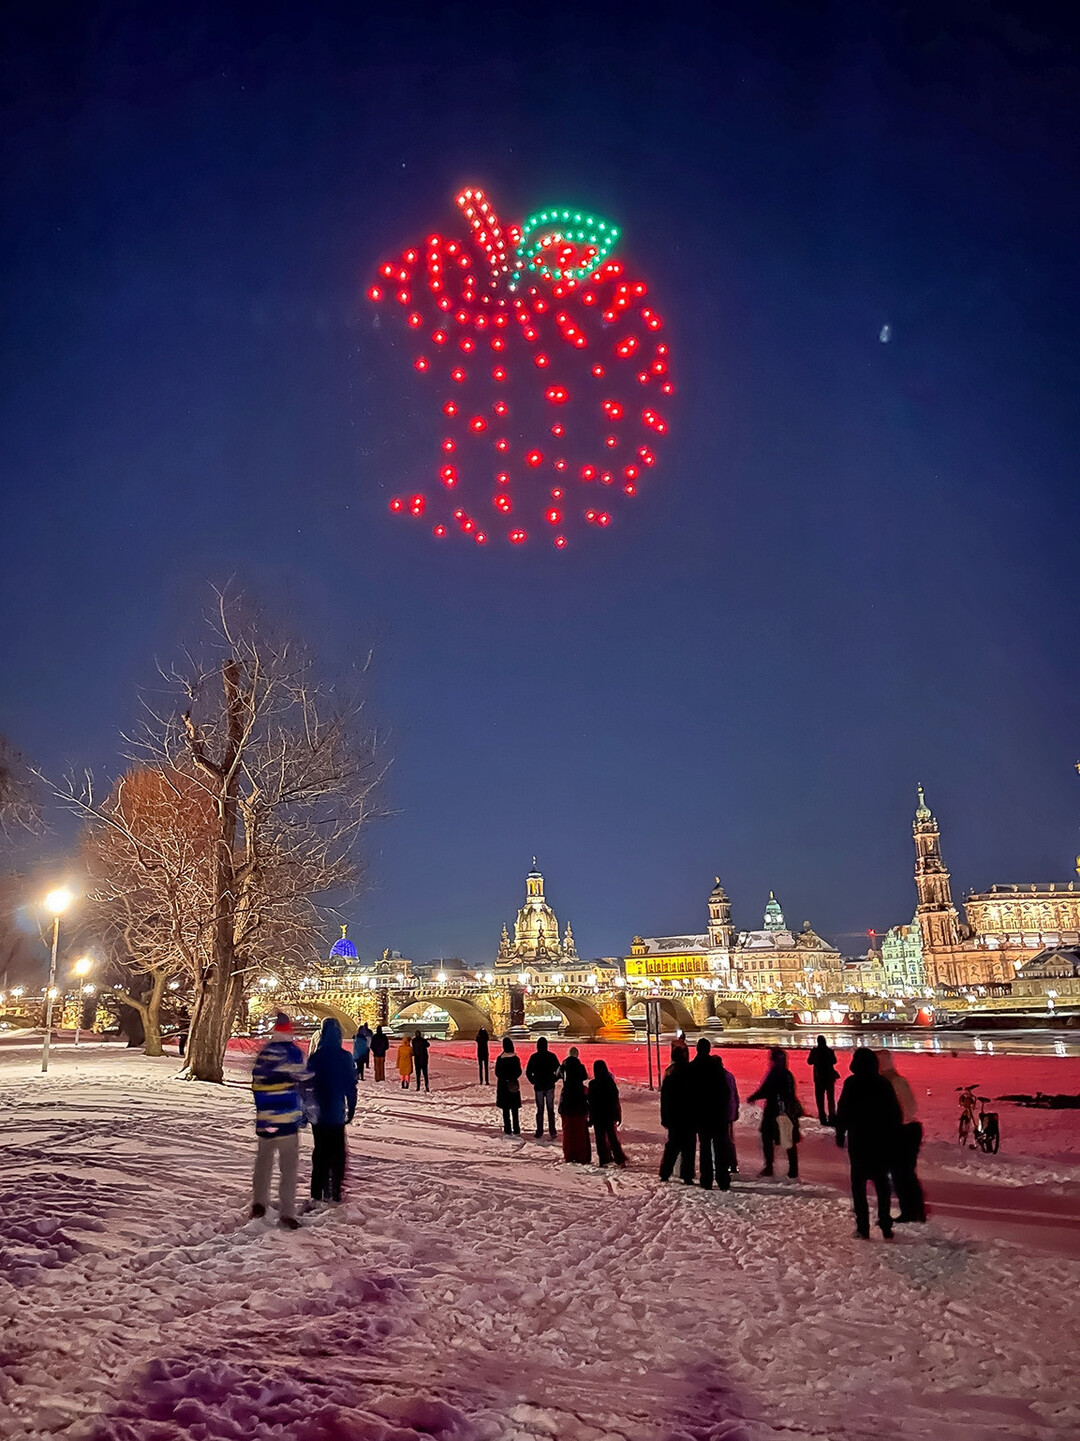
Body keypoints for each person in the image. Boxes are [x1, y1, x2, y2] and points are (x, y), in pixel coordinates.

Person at [835, 1048, 903, 1240]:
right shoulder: (882, 1083)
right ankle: (885, 1223)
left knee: (859, 1186)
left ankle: (863, 1226)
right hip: (880, 1141)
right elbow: (894, 1112)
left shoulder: (852, 1083)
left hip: (859, 1141)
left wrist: (840, 1133)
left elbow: (843, 1110)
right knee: (882, 1184)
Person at [251, 1012, 306, 1229]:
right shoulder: (293, 1053)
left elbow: (256, 1083)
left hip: (265, 1118)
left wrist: (263, 1108)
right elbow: (305, 1077)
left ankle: (259, 1202)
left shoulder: (265, 1054)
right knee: (288, 1167)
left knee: (263, 1162)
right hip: (287, 1119)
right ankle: (287, 1212)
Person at [305, 1017, 357, 1204]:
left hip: (318, 1113)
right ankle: (334, 1190)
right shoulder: (345, 1057)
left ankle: (317, 1191)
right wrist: (351, 1109)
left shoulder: (315, 1058)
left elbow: (306, 1086)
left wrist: (305, 1111)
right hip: (336, 1112)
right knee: (337, 1153)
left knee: (320, 1151)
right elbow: (350, 1086)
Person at [877, 1051, 926, 1224]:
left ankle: (910, 1211)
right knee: (907, 1174)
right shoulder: (900, 1081)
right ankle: (916, 1210)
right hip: (911, 1129)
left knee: (900, 1174)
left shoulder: (887, 1084)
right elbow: (912, 1106)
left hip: (899, 1131)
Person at [748, 1046, 801, 1179]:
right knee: (787, 1140)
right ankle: (792, 1169)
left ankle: (770, 1167)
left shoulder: (775, 1074)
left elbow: (766, 1090)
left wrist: (754, 1097)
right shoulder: (787, 1074)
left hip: (775, 1111)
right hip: (784, 1112)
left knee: (769, 1138)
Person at [688, 1037, 732, 1190]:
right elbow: (725, 1091)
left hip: (700, 1115)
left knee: (705, 1148)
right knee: (720, 1148)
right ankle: (723, 1179)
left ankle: (706, 1180)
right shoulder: (716, 1067)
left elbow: (688, 1094)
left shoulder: (691, 1068)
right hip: (717, 1114)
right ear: (709, 1050)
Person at [659, 1045, 695, 1183]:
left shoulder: (670, 1073)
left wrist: (664, 1117)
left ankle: (665, 1172)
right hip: (689, 1115)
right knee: (688, 1147)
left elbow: (665, 1098)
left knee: (672, 1146)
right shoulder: (691, 1071)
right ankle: (687, 1175)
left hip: (674, 1116)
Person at [588, 1059, 626, 1166]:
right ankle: (619, 1159)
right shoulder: (610, 1083)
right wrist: (617, 1113)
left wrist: (590, 1118)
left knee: (600, 1139)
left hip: (597, 1115)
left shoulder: (593, 1084)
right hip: (609, 1114)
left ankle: (603, 1159)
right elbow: (615, 1098)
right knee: (612, 1137)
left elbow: (591, 1102)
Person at [557, 1046, 591, 1163]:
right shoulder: (580, 1067)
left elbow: (556, 1075)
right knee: (579, 1132)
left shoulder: (563, 1066)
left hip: (566, 1100)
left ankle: (569, 1155)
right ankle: (581, 1156)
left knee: (567, 1131)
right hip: (579, 1100)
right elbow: (584, 1076)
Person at [525, 1035, 560, 1138]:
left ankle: (539, 1131)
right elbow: (558, 1070)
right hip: (549, 1085)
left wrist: (533, 1081)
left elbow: (528, 1071)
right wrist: (554, 1079)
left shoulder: (534, 1057)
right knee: (550, 1110)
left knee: (540, 1110)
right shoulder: (552, 1056)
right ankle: (552, 1131)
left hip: (539, 1086)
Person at [807, 1035, 839, 1125]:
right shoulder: (829, 1051)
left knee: (820, 1099)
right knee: (830, 1098)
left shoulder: (815, 1051)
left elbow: (809, 1062)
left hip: (819, 1078)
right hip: (829, 1077)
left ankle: (822, 1118)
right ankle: (832, 1116)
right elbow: (834, 1061)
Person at [494, 1036, 523, 1134]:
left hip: (503, 1086)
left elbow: (497, 1072)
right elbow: (519, 1071)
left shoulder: (500, 1059)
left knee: (505, 1109)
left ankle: (507, 1128)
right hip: (513, 1084)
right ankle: (516, 1128)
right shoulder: (515, 1059)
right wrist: (512, 1077)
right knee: (514, 1109)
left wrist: (504, 1078)